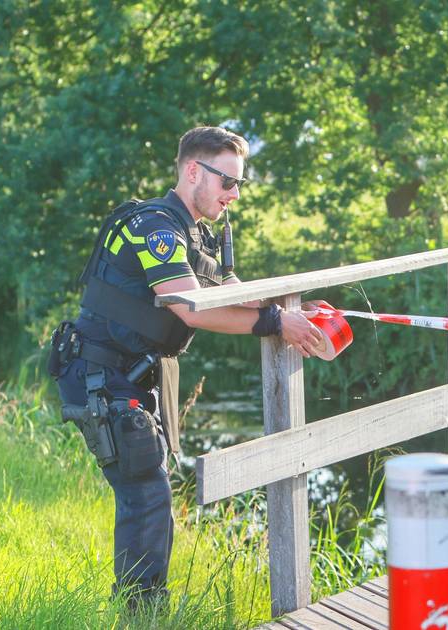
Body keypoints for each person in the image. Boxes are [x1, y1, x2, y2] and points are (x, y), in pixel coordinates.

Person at [48, 126, 320, 610]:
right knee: (147, 494)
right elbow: (189, 306)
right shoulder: (156, 226)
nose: (234, 195)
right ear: (193, 170)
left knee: (148, 490)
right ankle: (142, 611)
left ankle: (143, 606)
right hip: (101, 375)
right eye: (227, 182)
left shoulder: (194, 232)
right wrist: (278, 321)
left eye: (240, 185)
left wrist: (291, 307)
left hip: (130, 373)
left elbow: (231, 287)